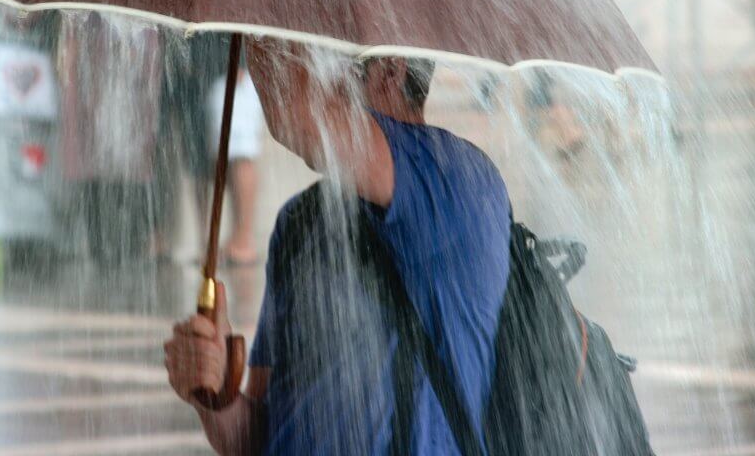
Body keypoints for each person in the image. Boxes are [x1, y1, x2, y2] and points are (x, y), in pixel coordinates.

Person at [165, 41, 513, 454]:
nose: (314, 74)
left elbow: (294, 114)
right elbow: (258, 439)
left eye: (326, 60)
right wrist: (218, 397)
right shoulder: (301, 220)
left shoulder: (459, 178)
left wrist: (252, 12)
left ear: (390, 69)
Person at [205, 64, 266, 266]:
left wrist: (239, 62)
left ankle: (243, 242)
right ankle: (237, 239)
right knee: (229, 156)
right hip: (210, 71)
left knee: (240, 153)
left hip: (232, 68)